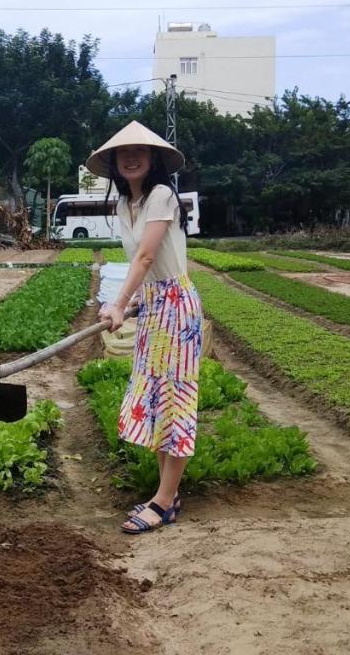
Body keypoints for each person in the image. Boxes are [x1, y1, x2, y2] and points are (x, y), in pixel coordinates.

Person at [90, 121, 202, 534]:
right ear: (114, 164)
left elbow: (147, 258)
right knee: (156, 399)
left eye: (140, 151)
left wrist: (118, 302)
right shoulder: (125, 204)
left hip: (177, 308)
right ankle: (165, 494)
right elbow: (146, 268)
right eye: (123, 153)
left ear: (154, 158)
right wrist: (137, 301)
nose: (131, 158)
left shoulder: (160, 196)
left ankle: (165, 500)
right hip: (156, 306)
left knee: (174, 399)